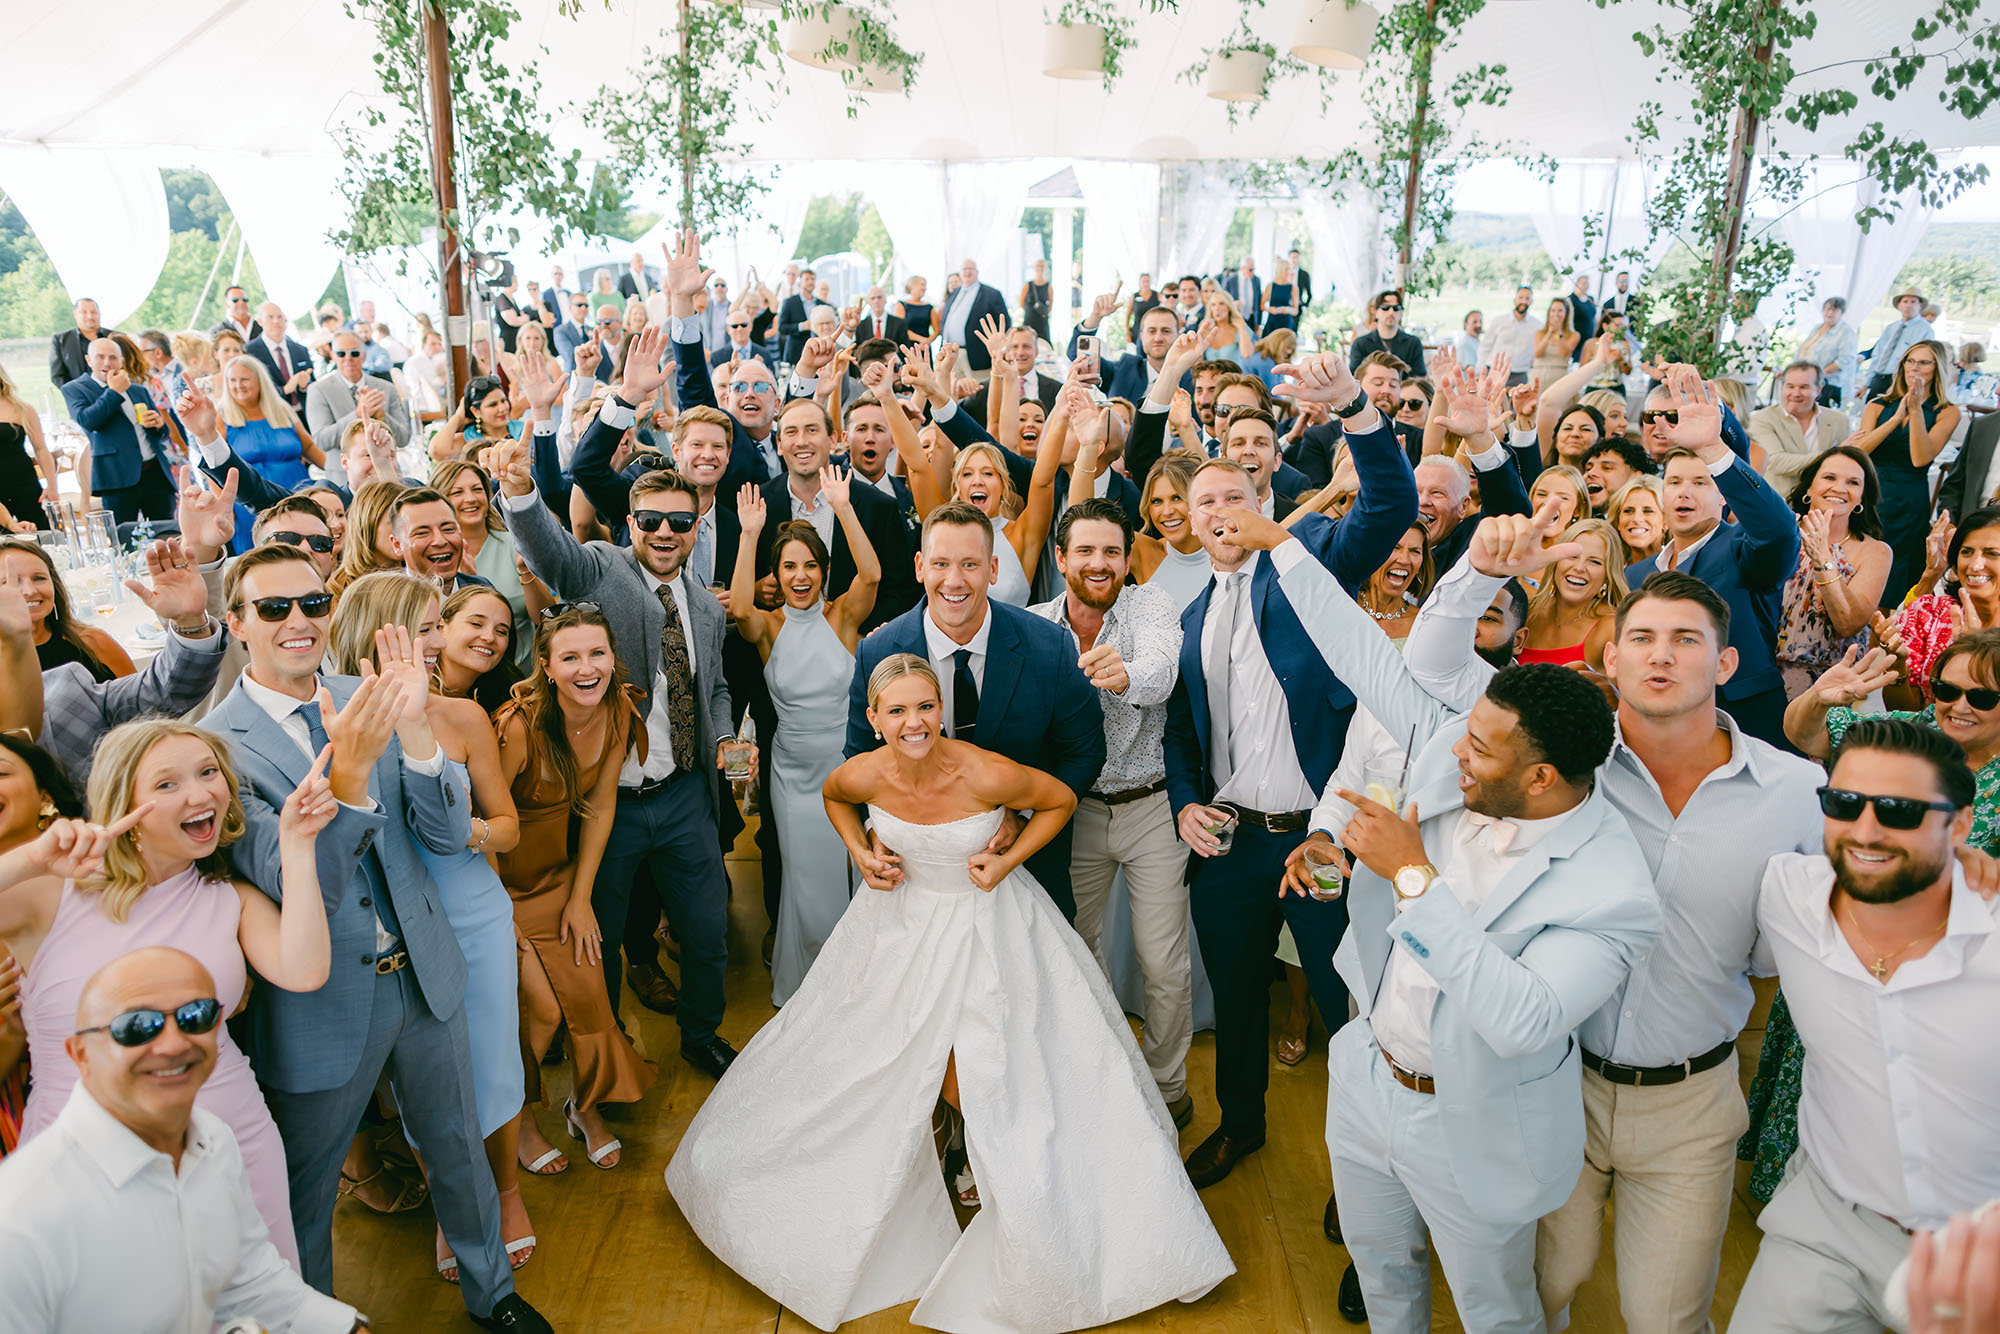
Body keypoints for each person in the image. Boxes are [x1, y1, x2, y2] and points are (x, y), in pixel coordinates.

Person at [665, 652, 1234, 1331]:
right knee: (878, 1060)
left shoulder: (979, 769)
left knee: (1001, 1065)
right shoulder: (864, 772)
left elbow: (1056, 800)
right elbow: (835, 798)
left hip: (990, 928)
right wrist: (861, 851)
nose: (914, 722)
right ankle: (948, 1152)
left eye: (925, 707)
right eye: (898, 710)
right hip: (897, 930)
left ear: (942, 710)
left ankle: (1001, 1176)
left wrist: (1006, 857)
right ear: (873, 719)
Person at [1225, 506, 1661, 1333]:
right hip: (1366, 1076)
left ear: (1541, 780)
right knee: (1384, 1280)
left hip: (1472, 1117)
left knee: (1495, 1311)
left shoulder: (1614, 890)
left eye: (1483, 749)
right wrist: (1281, 544)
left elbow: (1522, 1018)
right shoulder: (1458, 743)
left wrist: (1414, 878)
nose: (1456, 750)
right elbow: (1366, 655)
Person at [1394, 511, 1825, 1333]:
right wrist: (1483, 572)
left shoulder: (1794, 795)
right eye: (1644, 637)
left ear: (1727, 662)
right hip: (1555, 1082)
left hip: (1690, 1103)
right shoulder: (1562, 762)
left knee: (1666, 1316)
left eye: (1687, 639)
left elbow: (1780, 962)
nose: (1662, 654)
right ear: (1610, 656)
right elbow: (1434, 668)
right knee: (1541, 1290)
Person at [201, 545, 549, 1331]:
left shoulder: (376, 695)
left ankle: (493, 1296)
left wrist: (419, 730)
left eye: (313, 604)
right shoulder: (218, 746)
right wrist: (350, 775)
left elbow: (447, 829)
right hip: (319, 1000)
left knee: (458, 1146)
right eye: (273, 608)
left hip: (424, 968)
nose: (299, 621)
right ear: (236, 624)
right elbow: (296, 887)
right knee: (307, 1186)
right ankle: (310, 1320)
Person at [1168, 348, 1419, 1190]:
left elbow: (1389, 509)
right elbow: (1178, 729)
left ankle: (1371, 1171)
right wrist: (1182, 803)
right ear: (1189, 523)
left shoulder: (1307, 559)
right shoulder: (1193, 611)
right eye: (1204, 503)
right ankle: (1243, 1127)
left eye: (1234, 495)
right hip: (1233, 846)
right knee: (1236, 1001)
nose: (1220, 510)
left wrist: (1357, 409)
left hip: (1322, 842)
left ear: (1262, 497)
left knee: (1352, 1004)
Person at [1731, 718, 2000, 1330]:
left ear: (1960, 824)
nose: (1867, 831)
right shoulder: (1787, 893)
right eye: (1845, 803)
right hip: (1827, 1226)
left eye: (1902, 811)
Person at [494, 448, 742, 1079]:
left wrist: (723, 737)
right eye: (651, 520)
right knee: (595, 938)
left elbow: (713, 684)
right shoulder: (603, 569)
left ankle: (701, 1032)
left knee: (706, 927)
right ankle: (602, 1046)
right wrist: (521, 490)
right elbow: (553, 555)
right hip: (608, 803)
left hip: (685, 793)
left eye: (680, 522)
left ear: (698, 525)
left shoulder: (709, 609)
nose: (664, 532)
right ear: (630, 523)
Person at [327, 573, 532, 1280]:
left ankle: (503, 1194)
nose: (440, 642)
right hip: (392, 926)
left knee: (493, 1065)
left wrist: (460, 831)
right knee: (418, 1085)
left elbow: (507, 828)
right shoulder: (333, 720)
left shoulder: (463, 719)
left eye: (437, 626)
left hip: (470, 911)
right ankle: (453, 1204)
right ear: (379, 631)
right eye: (424, 629)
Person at [0, 946, 366, 1333]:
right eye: (136, 1026)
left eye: (196, 1017)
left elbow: (253, 1285)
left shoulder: (213, 1140)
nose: (174, 1043)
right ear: (80, 1053)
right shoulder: (23, 1217)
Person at [845, 502, 1104, 921]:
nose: (954, 580)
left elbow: (1085, 751)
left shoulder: (1048, 646)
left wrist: (1023, 820)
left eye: (970, 564)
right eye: (941, 563)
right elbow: (857, 757)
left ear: (993, 569)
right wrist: (876, 831)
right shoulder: (876, 651)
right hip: (914, 877)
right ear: (919, 566)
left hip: (1027, 873)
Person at [1028, 497, 1193, 1124]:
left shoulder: (1149, 605)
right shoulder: (1037, 626)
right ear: (1063, 558)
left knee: (1163, 963)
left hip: (1152, 806)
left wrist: (1125, 675)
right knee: (1073, 951)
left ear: (1127, 560)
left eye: (1112, 552)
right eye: (1086, 551)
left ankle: (1167, 1090)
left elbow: (1160, 672)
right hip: (1073, 813)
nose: (1099, 563)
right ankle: (1098, 1074)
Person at [493, 604, 657, 1182]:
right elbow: (482, 823)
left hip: (561, 878)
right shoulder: (518, 727)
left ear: (613, 657)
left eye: (597, 654)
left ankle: (582, 1109)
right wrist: (495, 916)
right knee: (538, 1012)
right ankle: (519, 1120)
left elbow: (601, 805)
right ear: (546, 665)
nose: (587, 668)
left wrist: (581, 896)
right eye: (570, 657)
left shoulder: (618, 710)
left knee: (591, 994)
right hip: (501, 886)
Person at [730, 471, 879, 1004]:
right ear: (777, 573)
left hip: (847, 767)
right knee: (805, 879)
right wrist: (749, 536)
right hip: (790, 776)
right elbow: (740, 608)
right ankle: (810, 984)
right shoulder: (768, 628)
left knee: (855, 872)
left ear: (823, 572)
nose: (800, 575)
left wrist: (843, 507)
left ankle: (858, 980)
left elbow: (872, 573)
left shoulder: (842, 619)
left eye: (810, 565)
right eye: (789, 566)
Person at [1628, 368, 1801, 747]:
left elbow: (1779, 531)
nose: (1683, 493)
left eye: (1700, 482)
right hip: (1659, 728)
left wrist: (1714, 450)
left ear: (1725, 495)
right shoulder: (1635, 574)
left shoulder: (1743, 547)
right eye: (1674, 482)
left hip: (1744, 723)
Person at [1777, 446, 1891, 699]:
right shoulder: (1779, 534)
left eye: (1852, 482)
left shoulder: (1875, 552)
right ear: (1808, 488)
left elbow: (1848, 623)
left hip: (1830, 687)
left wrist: (1823, 558)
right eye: (1829, 478)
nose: (1840, 488)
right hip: (1762, 675)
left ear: (1862, 497)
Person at [1854, 339, 1960, 606]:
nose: (1915, 368)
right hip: (1871, 493)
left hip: (1908, 497)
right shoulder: (1878, 404)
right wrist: (1894, 417)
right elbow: (1861, 451)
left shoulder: (1946, 412)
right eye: (1910, 361)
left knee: (1898, 567)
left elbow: (1920, 457)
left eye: (1924, 362)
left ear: (1937, 369)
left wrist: (1914, 411)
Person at [60, 337, 179, 523]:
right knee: (125, 540)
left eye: (113, 357)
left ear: (121, 361)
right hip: (117, 479)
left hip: (155, 475)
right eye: (100, 357)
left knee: (166, 533)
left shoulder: (138, 390)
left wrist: (159, 425)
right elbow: (88, 421)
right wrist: (113, 392)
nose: (107, 363)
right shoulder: (75, 389)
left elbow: (163, 434)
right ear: (88, 360)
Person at [0, 537, 135, 682]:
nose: (30, 591)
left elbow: (139, 699)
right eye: (9, 581)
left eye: (39, 578)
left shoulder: (92, 642)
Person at [435, 460, 530, 663]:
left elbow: (546, 616)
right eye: (457, 492)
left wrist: (527, 573)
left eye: (477, 489)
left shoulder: (515, 544)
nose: (470, 498)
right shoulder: (435, 558)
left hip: (522, 674)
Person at [1516, 517, 1625, 669]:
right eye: (1572, 556)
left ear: (1608, 575)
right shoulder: (1530, 611)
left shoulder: (1612, 627)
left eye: (1594, 562)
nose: (1579, 567)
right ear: (1556, 562)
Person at [305, 330, 411, 465]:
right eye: (341, 353)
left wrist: (381, 416)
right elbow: (322, 441)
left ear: (364, 356)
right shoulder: (318, 390)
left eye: (354, 353)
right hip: (343, 479)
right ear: (332, 355)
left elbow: (403, 439)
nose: (348, 358)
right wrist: (357, 415)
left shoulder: (386, 388)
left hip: (386, 472)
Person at [219, 354, 323, 491]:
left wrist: (342, 470)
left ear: (260, 381)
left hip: (298, 495)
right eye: (232, 380)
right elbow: (213, 467)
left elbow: (309, 447)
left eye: (244, 379)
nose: (238, 385)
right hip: (252, 504)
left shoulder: (282, 409)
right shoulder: (221, 416)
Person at [1133, 453, 1213, 610]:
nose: (1167, 511)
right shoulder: (1145, 553)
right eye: (1156, 501)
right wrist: (1089, 449)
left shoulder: (1231, 554)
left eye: (1177, 498)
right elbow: (1081, 529)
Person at [388, 486, 491, 594]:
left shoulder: (483, 589)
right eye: (422, 533)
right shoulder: (386, 604)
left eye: (448, 529)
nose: (440, 541)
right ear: (397, 545)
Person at [437, 586, 522, 713]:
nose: (489, 637)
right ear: (441, 627)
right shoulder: (414, 693)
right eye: (476, 624)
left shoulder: (508, 703)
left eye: (501, 631)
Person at [1355, 523, 1433, 644]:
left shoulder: (1423, 626)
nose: (1404, 560)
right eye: (1395, 547)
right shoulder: (1344, 603)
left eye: (1415, 551)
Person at [0, 364, 57, 524]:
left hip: (24, 482)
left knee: (41, 533)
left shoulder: (22, 408)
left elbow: (40, 448)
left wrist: (51, 485)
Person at [939, 258, 1011, 376]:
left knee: (978, 391)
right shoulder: (954, 293)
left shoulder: (992, 294)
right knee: (954, 390)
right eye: (964, 269)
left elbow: (1004, 323)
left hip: (976, 355)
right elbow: (945, 320)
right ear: (960, 273)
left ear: (977, 272)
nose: (967, 272)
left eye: (971, 269)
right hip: (951, 354)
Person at [1865, 287, 1937, 399]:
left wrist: (1900, 384)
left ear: (1920, 306)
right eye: (1905, 301)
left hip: (1900, 380)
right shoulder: (1891, 328)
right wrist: (1867, 383)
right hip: (1879, 378)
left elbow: (1920, 361)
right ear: (1899, 306)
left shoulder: (1925, 330)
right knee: (1871, 411)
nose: (1909, 305)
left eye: (1913, 302)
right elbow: (1877, 355)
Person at [246, 304, 316, 417]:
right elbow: (254, 390)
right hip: (273, 416)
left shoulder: (300, 350)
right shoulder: (250, 352)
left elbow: (313, 383)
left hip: (306, 414)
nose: (276, 321)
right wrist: (284, 390)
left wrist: (304, 386)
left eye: (280, 317)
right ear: (260, 321)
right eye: (270, 317)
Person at [1348, 289, 1427, 376]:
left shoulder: (1413, 343)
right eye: (1385, 308)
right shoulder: (1360, 344)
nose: (1391, 312)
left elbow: (1419, 376)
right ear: (1376, 312)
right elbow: (1354, 376)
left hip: (1404, 389)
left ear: (1401, 313)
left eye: (1396, 308)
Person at [48, 298, 113, 396]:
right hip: (80, 399)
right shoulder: (60, 340)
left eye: (93, 312)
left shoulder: (114, 337)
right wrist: (75, 393)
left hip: (115, 395)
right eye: (84, 312)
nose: (90, 316)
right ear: (75, 314)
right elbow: (57, 376)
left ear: (99, 314)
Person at [1481, 286, 1541, 384]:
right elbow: (1485, 346)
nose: (1523, 301)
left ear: (1531, 301)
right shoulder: (1499, 321)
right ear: (1515, 299)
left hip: (1520, 374)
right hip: (1495, 371)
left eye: (1527, 298)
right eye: (1520, 297)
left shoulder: (1537, 325)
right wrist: (1481, 369)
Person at [1609, 474, 1666, 565]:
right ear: (1618, 522)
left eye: (1648, 511)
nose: (1636, 519)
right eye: (1628, 511)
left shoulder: (1684, 568)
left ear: (1666, 521)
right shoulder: (1608, 572)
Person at [1533, 298, 1580, 388]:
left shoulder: (1574, 335)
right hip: (1539, 376)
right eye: (1553, 310)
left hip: (1559, 377)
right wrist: (1549, 333)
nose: (1556, 314)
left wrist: (1558, 332)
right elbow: (1537, 354)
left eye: (1560, 311)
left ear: (1566, 314)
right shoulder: (1540, 333)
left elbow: (1564, 353)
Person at [893, 274, 936, 344]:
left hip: (924, 348)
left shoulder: (929, 307)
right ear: (912, 286)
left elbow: (937, 330)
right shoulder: (901, 305)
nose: (924, 288)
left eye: (925, 285)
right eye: (922, 284)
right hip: (907, 346)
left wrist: (927, 342)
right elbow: (899, 328)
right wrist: (921, 339)